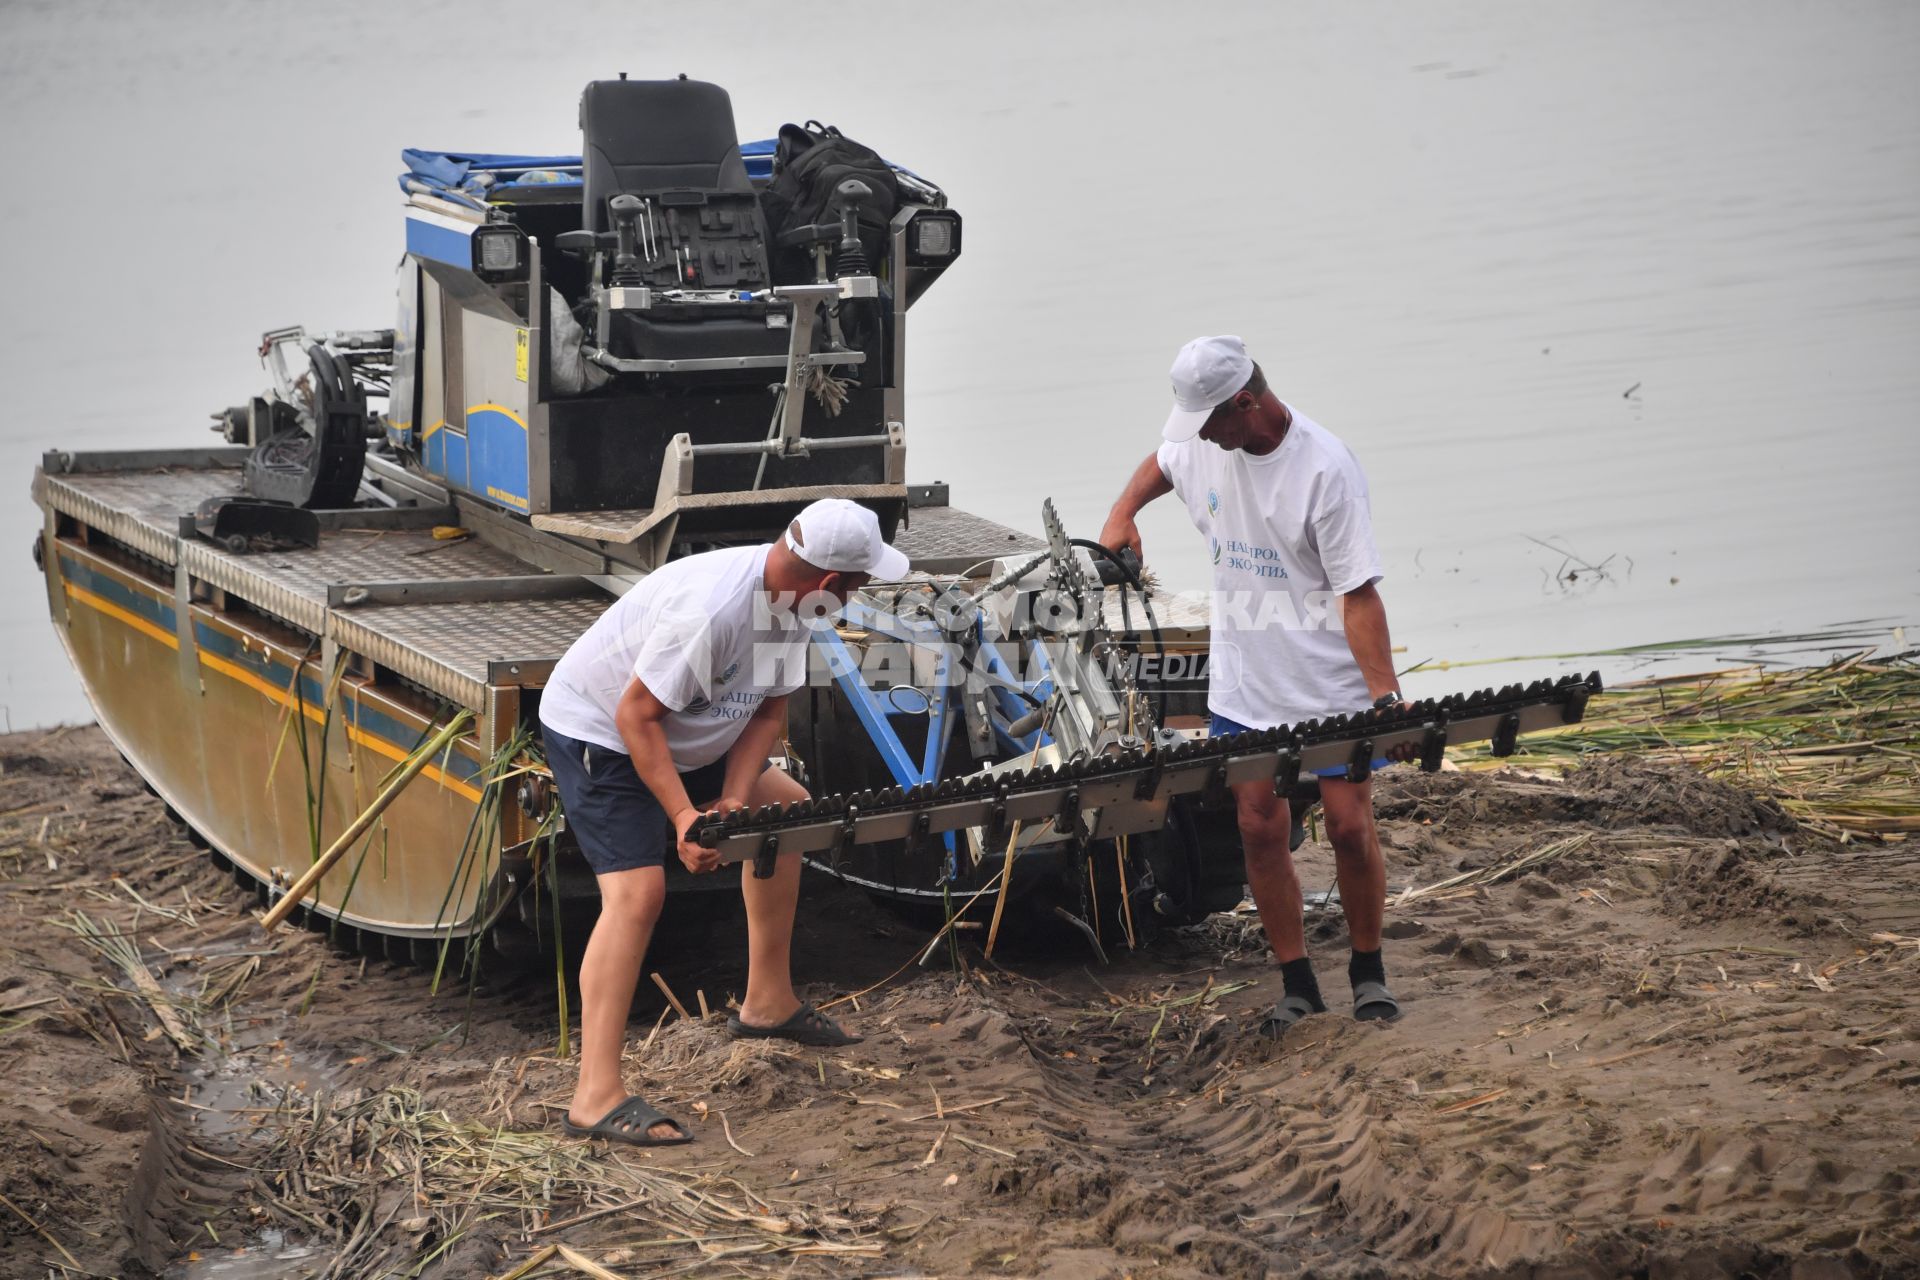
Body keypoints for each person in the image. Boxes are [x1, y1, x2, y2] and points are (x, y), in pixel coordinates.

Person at [538, 498, 910, 1144]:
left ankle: (768, 1003)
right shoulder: (712, 610)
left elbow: (767, 714)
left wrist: (734, 800)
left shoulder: (794, 607)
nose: (859, 595)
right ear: (829, 584)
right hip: (601, 730)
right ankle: (594, 1096)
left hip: (681, 732)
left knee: (784, 811)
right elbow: (635, 717)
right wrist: (683, 817)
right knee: (638, 893)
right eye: (859, 585)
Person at [1099, 335, 1408, 1037]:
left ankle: (1368, 971)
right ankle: (1298, 983)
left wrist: (1386, 698)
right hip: (1246, 683)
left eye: (1212, 422)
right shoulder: (1208, 441)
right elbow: (1162, 461)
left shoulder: (1324, 470)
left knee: (1349, 828)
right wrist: (1124, 513)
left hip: (1328, 684)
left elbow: (1358, 595)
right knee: (1257, 828)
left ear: (1246, 403)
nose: (1203, 437)